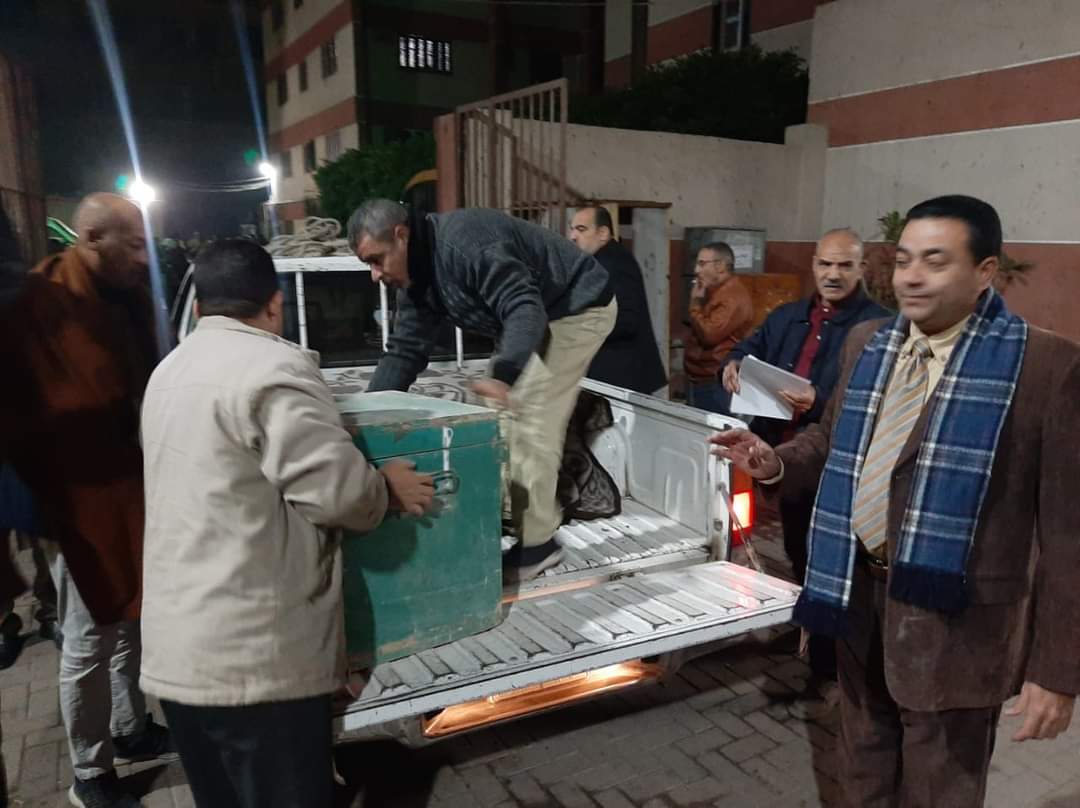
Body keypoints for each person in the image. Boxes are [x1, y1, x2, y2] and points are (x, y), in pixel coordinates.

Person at [711, 195, 1079, 807]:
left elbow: (1068, 536)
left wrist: (1056, 672)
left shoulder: (1046, 367)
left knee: (940, 789)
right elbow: (832, 440)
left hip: (959, 625)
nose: (911, 276)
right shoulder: (870, 343)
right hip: (858, 601)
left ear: (984, 271)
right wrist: (773, 461)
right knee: (862, 770)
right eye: (904, 259)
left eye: (935, 261)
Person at [139, 240, 433, 808]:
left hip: (179, 657)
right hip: (256, 667)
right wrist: (384, 486)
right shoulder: (272, 368)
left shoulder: (167, 373)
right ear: (275, 305)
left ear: (199, 307)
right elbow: (340, 495)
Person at [0, 193, 171, 808]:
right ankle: (89, 772)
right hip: (73, 504)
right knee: (87, 637)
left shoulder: (125, 299)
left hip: (127, 488)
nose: (143, 258)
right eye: (132, 245)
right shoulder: (38, 305)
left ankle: (130, 727)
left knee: (130, 620)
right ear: (91, 239)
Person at [350, 201, 616, 581]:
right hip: (530, 316)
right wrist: (365, 412)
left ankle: (539, 545)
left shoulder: (467, 244)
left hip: (577, 307)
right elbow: (406, 350)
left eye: (376, 260)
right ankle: (512, 515)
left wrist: (504, 375)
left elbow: (525, 309)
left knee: (529, 418)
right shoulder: (416, 278)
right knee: (494, 417)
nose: (374, 275)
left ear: (401, 235)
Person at [721, 228, 889, 690]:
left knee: (839, 564)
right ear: (813, 265)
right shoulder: (789, 316)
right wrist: (733, 363)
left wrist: (818, 400)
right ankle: (814, 637)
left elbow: (871, 406)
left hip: (839, 466)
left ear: (862, 269)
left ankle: (834, 666)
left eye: (844, 265)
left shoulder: (877, 328)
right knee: (799, 551)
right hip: (785, 459)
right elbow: (748, 346)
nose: (833, 274)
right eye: (825, 264)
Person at [568, 206, 666, 394]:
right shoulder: (601, 262)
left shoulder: (615, 264)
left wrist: (578, 327)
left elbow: (625, 320)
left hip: (621, 376)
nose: (573, 236)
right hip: (614, 373)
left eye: (581, 229)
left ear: (603, 233)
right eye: (572, 229)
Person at [683, 242, 752, 413]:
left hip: (715, 383)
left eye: (702, 264)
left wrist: (695, 304)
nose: (696, 270)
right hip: (702, 379)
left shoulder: (732, 296)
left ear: (720, 266)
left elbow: (709, 334)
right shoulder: (715, 291)